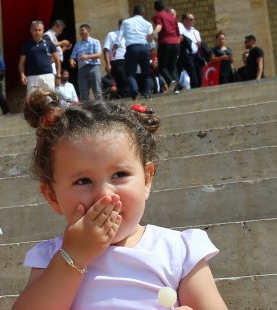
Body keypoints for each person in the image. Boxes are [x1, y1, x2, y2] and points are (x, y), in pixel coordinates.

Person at [12, 92, 228, 309]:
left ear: (147, 179)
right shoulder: (51, 258)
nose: (104, 194)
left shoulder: (178, 251)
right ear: (52, 196)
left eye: (119, 175)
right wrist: (74, 255)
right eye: (83, 181)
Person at [116, 4, 155, 100]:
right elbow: (151, 40)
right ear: (143, 13)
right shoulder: (148, 24)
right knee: (146, 73)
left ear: (133, 13)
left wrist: (116, 46)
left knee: (130, 73)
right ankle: (148, 93)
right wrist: (153, 53)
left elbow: (120, 35)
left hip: (132, 48)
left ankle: (134, 91)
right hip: (144, 48)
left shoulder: (126, 22)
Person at [19, 20, 58, 97]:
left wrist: (58, 75)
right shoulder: (27, 45)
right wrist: (22, 74)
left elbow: (57, 60)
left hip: (48, 76)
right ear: (31, 31)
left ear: (43, 31)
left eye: (39, 30)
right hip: (32, 77)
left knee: (50, 101)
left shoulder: (49, 44)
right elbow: (21, 63)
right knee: (32, 102)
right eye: (35, 30)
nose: (37, 32)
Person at [70, 24, 103, 102]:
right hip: (82, 69)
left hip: (94, 67)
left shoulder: (95, 41)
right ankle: (86, 110)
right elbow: (72, 56)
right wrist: (71, 61)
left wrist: (87, 57)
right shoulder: (77, 44)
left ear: (88, 31)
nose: (80, 32)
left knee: (97, 90)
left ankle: (100, 108)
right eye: (80, 30)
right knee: (83, 91)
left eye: (82, 30)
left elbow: (99, 54)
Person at [153, 1, 180, 90]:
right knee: (172, 67)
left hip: (165, 42)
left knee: (162, 67)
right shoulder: (172, 17)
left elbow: (159, 25)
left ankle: (170, 81)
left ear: (155, 9)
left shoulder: (158, 16)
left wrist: (153, 34)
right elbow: (177, 32)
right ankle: (177, 87)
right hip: (175, 43)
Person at [103, 19, 128, 98]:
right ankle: (123, 97)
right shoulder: (111, 34)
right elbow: (106, 50)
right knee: (122, 80)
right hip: (116, 61)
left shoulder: (127, 36)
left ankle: (126, 97)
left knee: (127, 81)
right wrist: (107, 64)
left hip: (127, 61)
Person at [179, 13, 205, 88]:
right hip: (188, 56)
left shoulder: (195, 32)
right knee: (193, 78)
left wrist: (199, 43)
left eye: (194, 19)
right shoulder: (182, 32)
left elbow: (199, 43)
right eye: (190, 19)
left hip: (196, 55)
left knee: (200, 76)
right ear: (184, 21)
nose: (193, 21)